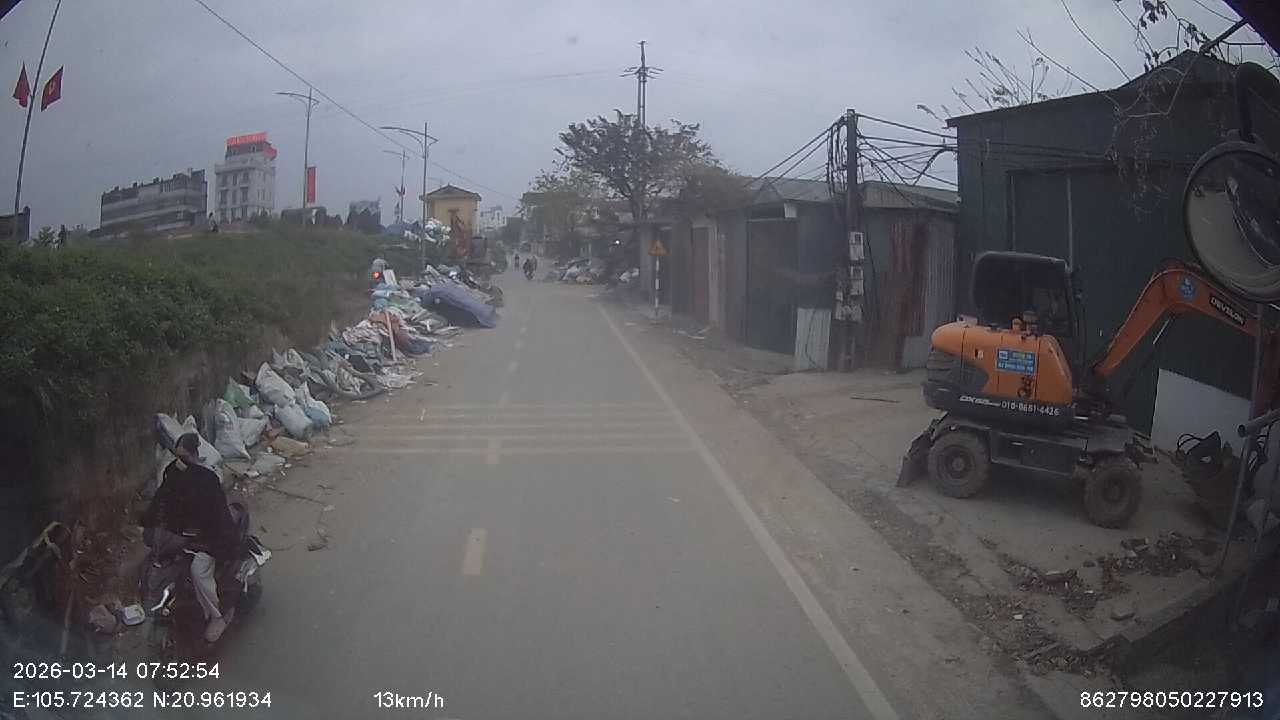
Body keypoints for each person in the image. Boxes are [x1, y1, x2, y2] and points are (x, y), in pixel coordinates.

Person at [143, 432, 237, 642]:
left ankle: (217, 617)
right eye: (178, 457)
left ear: (194, 455)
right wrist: (148, 522)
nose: (180, 462)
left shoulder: (208, 479)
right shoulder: (172, 473)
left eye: (184, 457)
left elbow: (217, 516)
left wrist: (205, 539)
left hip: (207, 539)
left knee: (198, 572)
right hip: (180, 537)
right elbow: (161, 500)